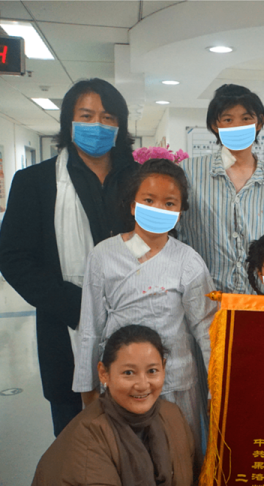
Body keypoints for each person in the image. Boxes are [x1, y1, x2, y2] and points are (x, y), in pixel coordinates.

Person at [0, 78, 139, 436]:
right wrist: (80, 306)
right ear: (69, 121)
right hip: (67, 329)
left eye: (108, 117)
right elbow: (14, 258)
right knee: (78, 444)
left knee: (140, 439)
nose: (98, 125)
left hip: (139, 323)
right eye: (87, 116)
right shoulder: (35, 182)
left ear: (120, 125)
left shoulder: (141, 181)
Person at [73, 158, 216, 459]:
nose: (158, 209)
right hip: (121, 382)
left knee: (179, 458)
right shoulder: (103, 255)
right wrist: (88, 387)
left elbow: (207, 329)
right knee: (127, 459)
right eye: (149, 200)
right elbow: (90, 327)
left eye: (169, 203)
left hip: (175, 382)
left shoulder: (188, 261)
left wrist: (216, 389)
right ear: (132, 205)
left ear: (180, 212)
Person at [33, 325, 198, 484]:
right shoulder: (89, 439)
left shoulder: (172, 416)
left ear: (163, 368)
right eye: (129, 373)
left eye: (152, 371)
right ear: (104, 373)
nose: (142, 385)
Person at [179, 84, 264, 294]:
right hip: (203, 295)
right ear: (215, 125)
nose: (237, 126)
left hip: (258, 297)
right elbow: (177, 234)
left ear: (259, 122)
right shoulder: (189, 171)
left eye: (246, 118)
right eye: (228, 120)